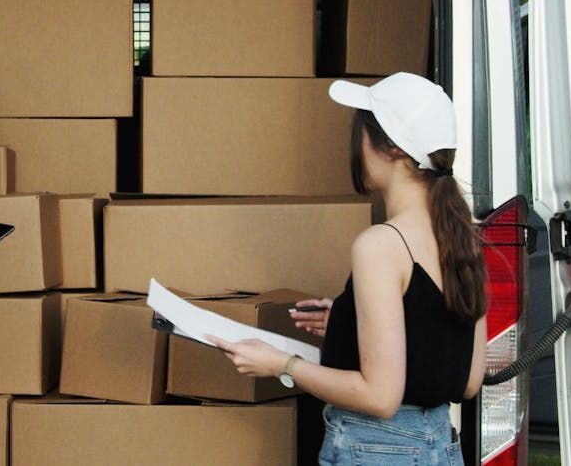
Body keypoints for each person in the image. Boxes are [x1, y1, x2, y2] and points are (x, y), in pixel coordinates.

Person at [208, 72, 488, 465]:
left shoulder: (381, 245)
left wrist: (282, 364)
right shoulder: (464, 238)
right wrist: (349, 322)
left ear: (391, 148)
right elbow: (469, 380)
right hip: (440, 447)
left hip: (375, 450)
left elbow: (380, 397)